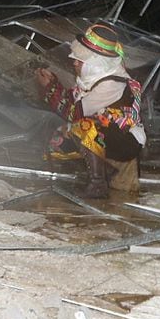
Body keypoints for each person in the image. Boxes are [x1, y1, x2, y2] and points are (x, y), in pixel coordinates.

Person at [34, 24, 145, 198]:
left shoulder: (111, 84)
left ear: (96, 63)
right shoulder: (96, 77)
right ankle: (104, 170)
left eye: (80, 60)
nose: (75, 63)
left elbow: (74, 113)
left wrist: (49, 89)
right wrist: (54, 84)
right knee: (59, 138)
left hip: (125, 142)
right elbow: (73, 100)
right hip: (110, 134)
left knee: (83, 127)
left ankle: (98, 184)